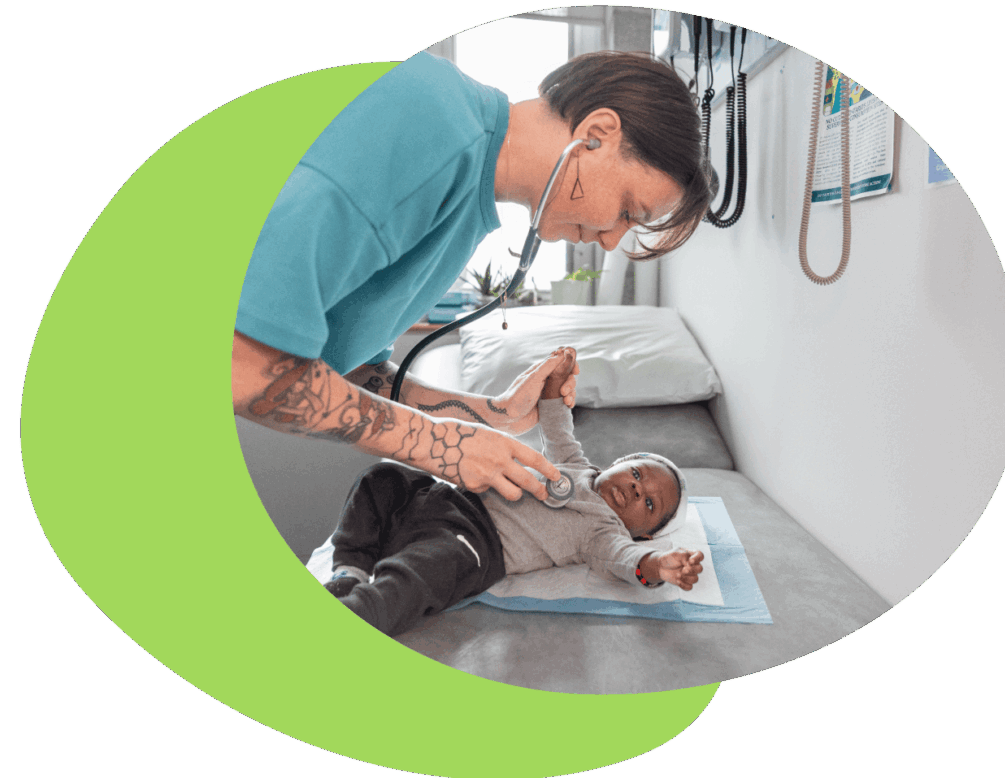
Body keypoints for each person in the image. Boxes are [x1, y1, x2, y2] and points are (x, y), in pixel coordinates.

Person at [232, 50, 711, 503]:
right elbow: (242, 361)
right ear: (596, 135)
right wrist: (437, 447)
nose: (611, 241)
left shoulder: (465, 208)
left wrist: (495, 415)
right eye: (628, 210)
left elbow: (353, 370)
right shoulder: (426, 116)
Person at [323, 348, 706, 637]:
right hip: (446, 498)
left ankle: (357, 614)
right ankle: (349, 570)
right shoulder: (575, 464)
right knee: (382, 479)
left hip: (473, 542)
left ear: (643, 533)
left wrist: (657, 565)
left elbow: (627, 560)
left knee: (425, 572)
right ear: (619, 462)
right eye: (637, 473)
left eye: (649, 503)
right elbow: (558, 428)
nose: (637, 489)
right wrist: (555, 382)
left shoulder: (604, 534)